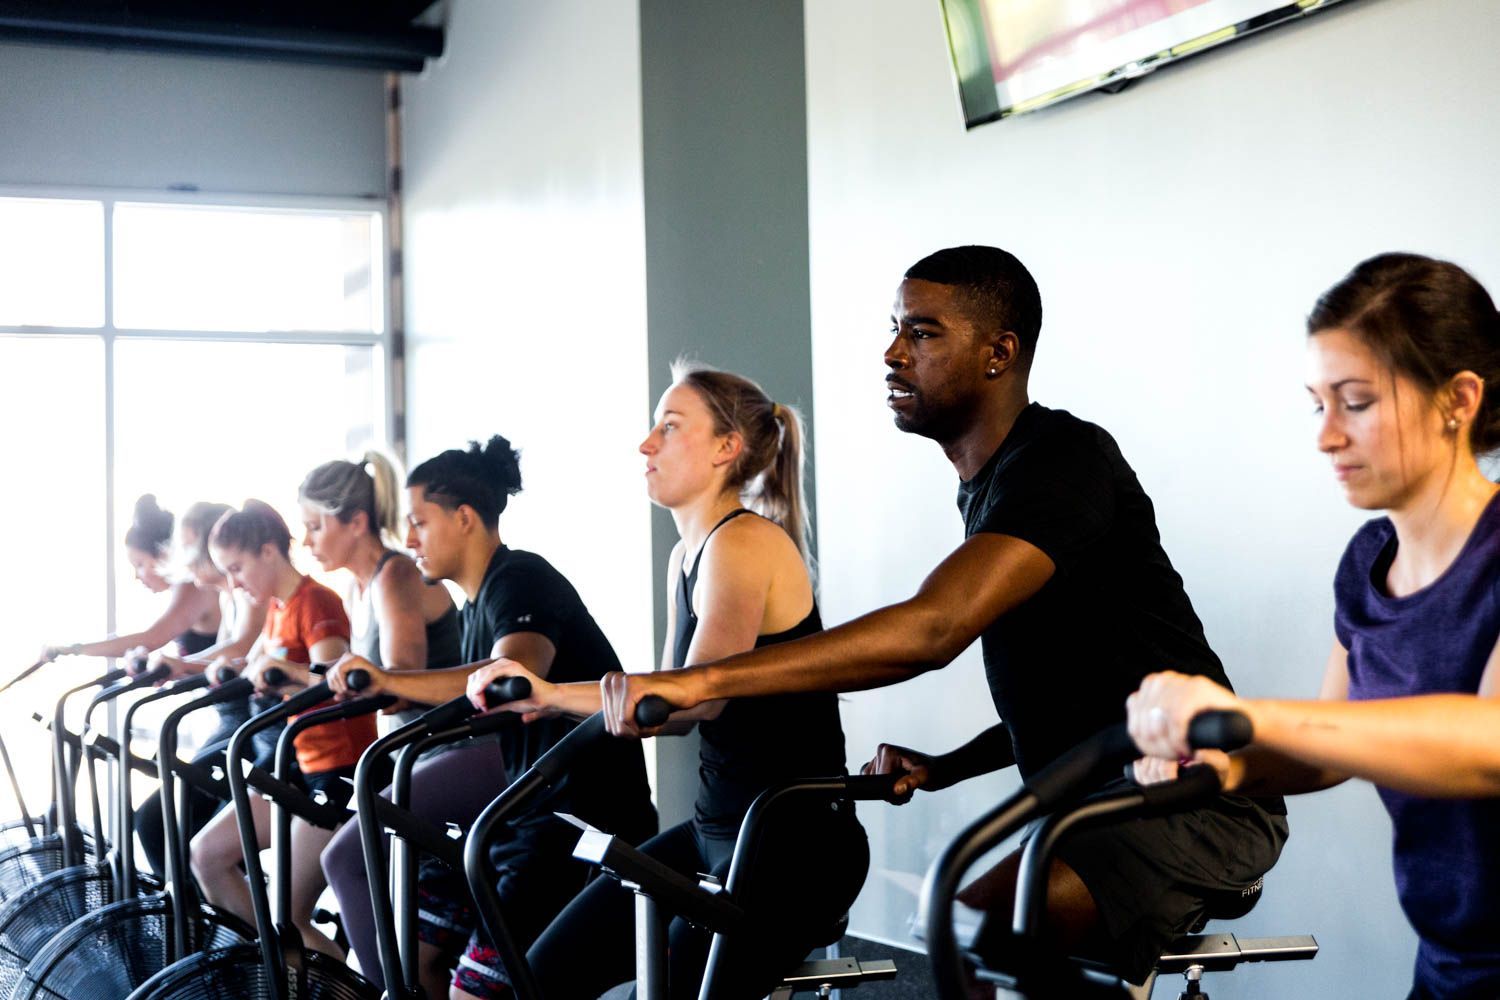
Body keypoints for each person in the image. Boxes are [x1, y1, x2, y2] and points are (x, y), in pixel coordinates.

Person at [599, 246, 1288, 985]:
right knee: (972, 930)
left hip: (1202, 797)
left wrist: (703, 681)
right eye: (895, 329)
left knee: (969, 930)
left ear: (999, 353)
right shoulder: (995, 487)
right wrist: (948, 766)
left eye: (922, 333)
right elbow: (1081, 699)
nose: (893, 353)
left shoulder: (1063, 461)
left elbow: (933, 629)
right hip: (1106, 792)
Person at [1126, 253, 1500, 999]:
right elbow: (1332, 746)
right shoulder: (1368, 563)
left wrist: (1246, 716)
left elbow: (1488, 744)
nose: (1327, 436)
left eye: (1355, 402)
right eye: (1317, 404)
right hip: (1450, 960)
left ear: (1457, 399)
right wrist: (1227, 763)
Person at [470, 363, 868, 999]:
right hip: (719, 831)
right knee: (542, 975)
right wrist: (556, 701)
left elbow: (698, 698)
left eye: (670, 427)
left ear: (726, 447)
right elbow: (670, 707)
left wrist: (549, 693)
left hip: (795, 847)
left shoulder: (744, 542)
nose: (646, 444)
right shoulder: (686, 555)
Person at [323, 436, 655, 998]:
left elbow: (510, 675)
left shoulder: (520, 578)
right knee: (413, 957)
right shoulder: (473, 607)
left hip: (570, 827)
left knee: (469, 993)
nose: (409, 540)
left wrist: (390, 680)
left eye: (419, 523)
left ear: (464, 518)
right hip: (515, 824)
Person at [297, 450, 466, 987]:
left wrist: (356, 681)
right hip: (405, 761)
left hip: (446, 755)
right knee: (401, 936)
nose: (307, 541)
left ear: (356, 522)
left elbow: (398, 678)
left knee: (347, 864)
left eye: (315, 526)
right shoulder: (360, 586)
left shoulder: (397, 575)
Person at [188, 499, 371, 960]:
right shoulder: (276, 608)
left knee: (286, 916)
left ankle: (340, 987)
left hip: (336, 774)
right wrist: (216, 668)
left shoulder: (317, 603)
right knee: (206, 855)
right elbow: (248, 665)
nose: (233, 584)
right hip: (297, 767)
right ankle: (268, 965)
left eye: (237, 569)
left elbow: (338, 684)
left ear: (268, 552)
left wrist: (284, 673)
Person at [132, 500, 269, 877]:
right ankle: (198, 906)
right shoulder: (228, 594)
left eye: (190, 548)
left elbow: (240, 649)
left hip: (249, 729)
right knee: (158, 823)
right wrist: (176, 667)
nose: (186, 560)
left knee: (160, 824)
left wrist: (182, 664)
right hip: (229, 724)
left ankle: (207, 909)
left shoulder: (249, 594)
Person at [42, 494, 223, 663]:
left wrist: (74, 649)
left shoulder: (193, 587)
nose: (137, 576)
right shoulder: (185, 588)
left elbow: (151, 638)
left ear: (163, 553)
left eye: (140, 564)